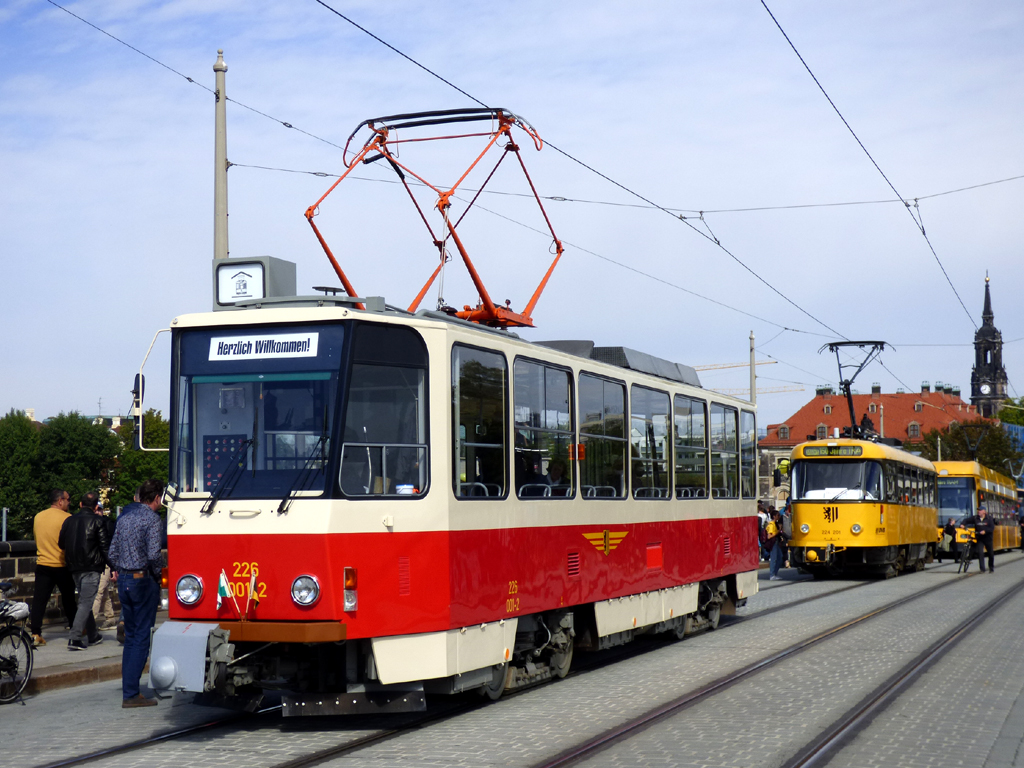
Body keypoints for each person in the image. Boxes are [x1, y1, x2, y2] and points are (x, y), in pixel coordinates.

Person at [108, 478, 165, 708]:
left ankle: (129, 689)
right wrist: (159, 573)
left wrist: (122, 568)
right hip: (143, 580)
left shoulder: (124, 517)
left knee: (130, 637)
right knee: (141, 637)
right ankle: (131, 694)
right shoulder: (152, 519)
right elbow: (153, 555)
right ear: (157, 498)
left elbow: (112, 552)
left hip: (124, 579)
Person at [58, 491, 111, 649]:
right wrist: (113, 566)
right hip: (91, 566)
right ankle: (74, 638)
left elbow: (61, 544)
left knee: (84, 601)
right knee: (86, 603)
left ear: (80, 504)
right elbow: (104, 547)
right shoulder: (98, 521)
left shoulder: (69, 521)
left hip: (74, 567)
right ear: (96, 507)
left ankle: (93, 635)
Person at [28, 489, 79, 648]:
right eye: (68, 499)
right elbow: (71, 543)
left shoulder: (38, 516)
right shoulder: (68, 518)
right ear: (60, 501)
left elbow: (37, 538)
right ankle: (75, 628)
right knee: (69, 600)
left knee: (39, 600)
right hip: (61, 564)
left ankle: (35, 633)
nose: (69, 502)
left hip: (43, 563)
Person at [92, 502, 118, 630]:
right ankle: (110, 617)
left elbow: (113, 546)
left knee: (98, 592)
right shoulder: (93, 523)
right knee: (104, 592)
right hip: (97, 562)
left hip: (105, 563)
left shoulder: (107, 524)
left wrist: (113, 567)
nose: (97, 512)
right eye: (96, 510)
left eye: (99, 510)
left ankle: (90, 622)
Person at [964, 505, 996, 573]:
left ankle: (991, 567)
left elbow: (991, 528)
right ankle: (982, 569)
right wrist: (962, 524)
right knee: (980, 553)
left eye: (980, 510)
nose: (979, 511)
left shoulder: (989, 519)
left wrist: (985, 531)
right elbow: (966, 520)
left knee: (990, 553)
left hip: (988, 538)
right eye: (978, 510)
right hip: (979, 538)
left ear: (984, 511)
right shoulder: (975, 518)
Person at [766, 510, 786, 580]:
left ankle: (775, 573)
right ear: (774, 516)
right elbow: (769, 536)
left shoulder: (775, 523)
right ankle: (772, 575)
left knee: (780, 558)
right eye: (778, 515)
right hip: (773, 543)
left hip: (777, 542)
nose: (779, 517)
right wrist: (778, 532)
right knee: (774, 558)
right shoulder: (771, 524)